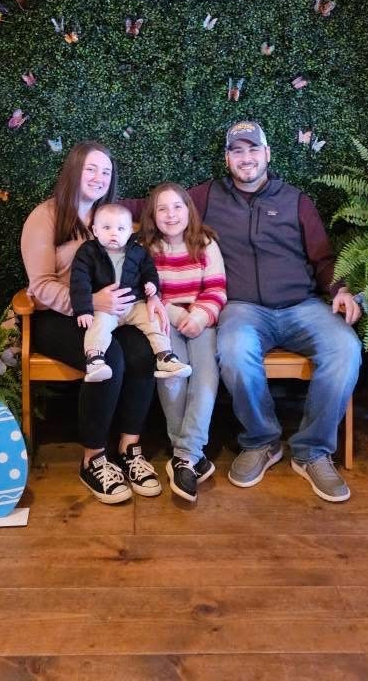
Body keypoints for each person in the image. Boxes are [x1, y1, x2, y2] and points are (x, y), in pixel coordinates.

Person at [187, 121, 362, 503]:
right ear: (227, 159)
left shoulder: (296, 200)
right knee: (233, 350)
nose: (246, 158)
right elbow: (157, 205)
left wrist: (340, 289)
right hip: (243, 309)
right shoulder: (206, 197)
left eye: (253, 149)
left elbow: (323, 258)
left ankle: (313, 451)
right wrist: (92, 207)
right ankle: (262, 441)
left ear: (267, 154)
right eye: (237, 151)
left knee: (346, 348)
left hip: (303, 306)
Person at [21, 141, 168, 504]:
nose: (99, 177)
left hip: (112, 315)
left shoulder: (110, 217)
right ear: (74, 170)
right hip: (57, 317)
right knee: (109, 358)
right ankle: (94, 458)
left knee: (141, 351)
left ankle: (130, 449)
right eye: (91, 169)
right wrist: (90, 302)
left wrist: (151, 296)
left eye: (106, 171)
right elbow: (40, 287)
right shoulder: (46, 217)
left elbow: (139, 258)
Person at [138, 183, 227, 502]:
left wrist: (200, 316)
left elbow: (216, 289)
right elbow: (146, 293)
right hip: (166, 320)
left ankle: (184, 453)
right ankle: (189, 456)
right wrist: (177, 315)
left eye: (177, 207)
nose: (171, 214)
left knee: (206, 377)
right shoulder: (146, 248)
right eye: (162, 209)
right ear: (152, 215)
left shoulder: (205, 243)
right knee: (172, 375)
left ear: (189, 210)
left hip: (202, 320)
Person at [70, 202, 192, 382]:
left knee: (154, 320)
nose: (114, 233)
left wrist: (152, 285)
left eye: (120, 229)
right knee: (98, 326)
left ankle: (165, 357)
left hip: (135, 304)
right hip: (106, 308)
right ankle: (95, 360)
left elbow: (149, 270)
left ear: (129, 233)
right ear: (95, 231)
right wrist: (84, 309)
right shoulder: (88, 252)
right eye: (106, 228)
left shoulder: (138, 251)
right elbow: (79, 281)